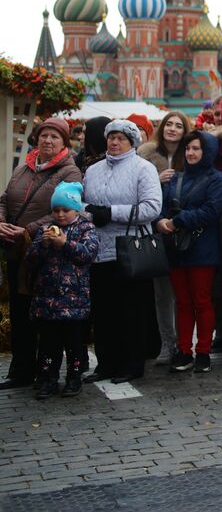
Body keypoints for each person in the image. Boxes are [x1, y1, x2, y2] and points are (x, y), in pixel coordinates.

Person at [0, 116, 81, 390]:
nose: (47, 140)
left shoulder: (69, 171)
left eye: (54, 137)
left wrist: (28, 231)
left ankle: (46, 371)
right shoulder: (25, 167)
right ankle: (21, 369)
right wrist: (2, 223)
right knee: (20, 312)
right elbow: (5, 198)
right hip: (16, 251)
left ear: (63, 143)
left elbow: (63, 212)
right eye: (44, 135)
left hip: (45, 252)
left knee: (46, 315)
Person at [81, 119, 162, 383]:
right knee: (104, 313)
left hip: (130, 251)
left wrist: (112, 213)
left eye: (121, 139)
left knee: (131, 313)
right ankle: (106, 363)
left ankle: (131, 364)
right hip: (98, 250)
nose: (115, 143)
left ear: (132, 142)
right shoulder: (93, 170)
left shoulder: (144, 168)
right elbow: (82, 204)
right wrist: (90, 214)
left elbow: (151, 208)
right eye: (111, 138)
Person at [154, 131, 222, 372]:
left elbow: (211, 211)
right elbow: (163, 206)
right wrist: (162, 221)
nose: (191, 153)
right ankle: (184, 351)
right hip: (176, 247)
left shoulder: (217, 178)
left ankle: (203, 352)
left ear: (207, 152)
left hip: (202, 247)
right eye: (188, 148)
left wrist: (179, 220)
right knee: (183, 303)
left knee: (202, 301)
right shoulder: (176, 178)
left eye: (196, 148)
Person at [26, 182, 99, 399]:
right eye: (56, 210)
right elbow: (30, 259)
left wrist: (65, 243)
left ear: (76, 210)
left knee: (74, 343)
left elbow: (88, 254)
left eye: (65, 210)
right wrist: (44, 245)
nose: (60, 215)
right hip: (47, 301)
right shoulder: (44, 230)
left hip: (74, 302)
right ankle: (48, 378)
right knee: (49, 344)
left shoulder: (86, 228)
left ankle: (74, 377)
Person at [134, 109, 192, 367]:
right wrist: (156, 180)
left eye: (178, 125)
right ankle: (167, 344)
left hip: (184, 232)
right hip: (156, 231)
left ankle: (183, 344)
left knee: (183, 294)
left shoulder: (191, 154)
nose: (173, 129)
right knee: (162, 295)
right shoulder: (146, 155)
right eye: (169, 124)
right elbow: (137, 189)